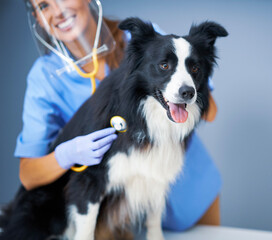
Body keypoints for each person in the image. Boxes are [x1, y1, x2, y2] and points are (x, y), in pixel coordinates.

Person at [16, 0, 222, 236]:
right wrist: (66, 155)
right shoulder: (45, 76)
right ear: (37, 18)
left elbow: (210, 110)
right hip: (120, 207)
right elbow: (28, 175)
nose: (58, 11)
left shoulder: (145, 38)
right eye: (44, 6)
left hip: (192, 190)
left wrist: (192, 76)